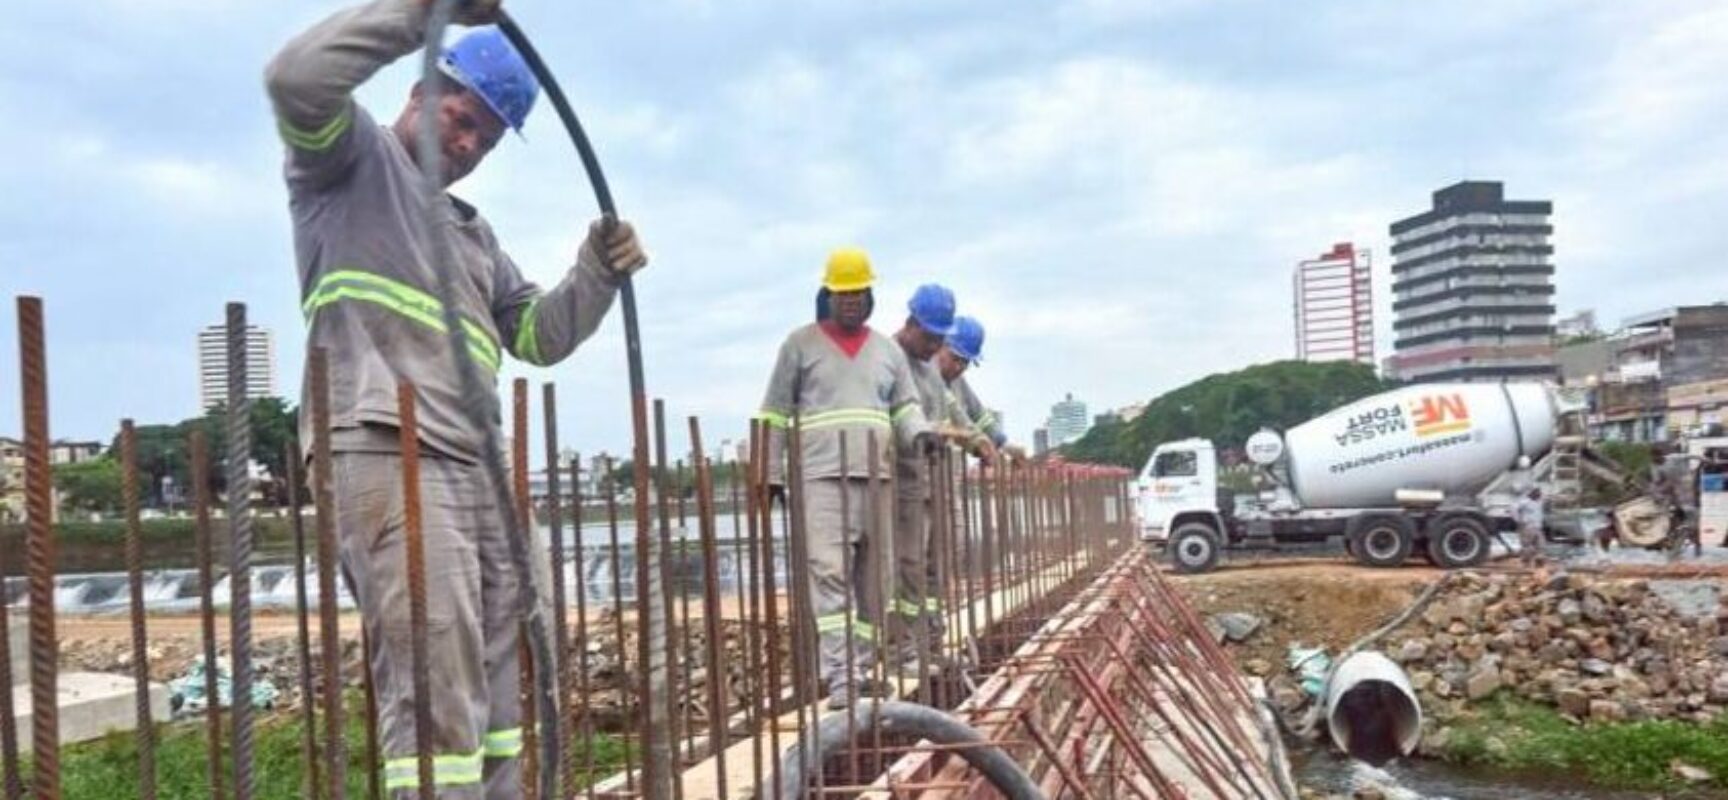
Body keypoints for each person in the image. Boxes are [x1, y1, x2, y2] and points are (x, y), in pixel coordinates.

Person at [266, 2, 648, 796]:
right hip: (385, 445)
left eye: (485, 135)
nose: (468, 142)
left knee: (506, 673)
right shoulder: (349, 163)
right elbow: (295, 78)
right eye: (461, 114)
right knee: (435, 673)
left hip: (476, 471)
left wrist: (598, 270)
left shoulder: (476, 237)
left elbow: (540, 337)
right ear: (421, 89)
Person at [756, 248, 936, 709]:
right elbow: (774, 414)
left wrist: (920, 435)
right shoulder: (800, 346)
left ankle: (861, 667)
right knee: (829, 573)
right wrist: (769, 473)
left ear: (870, 296)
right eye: (843, 294)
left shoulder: (887, 350)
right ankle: (840, 677)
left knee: (876, 582)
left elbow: (905, 406)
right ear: (828, 295)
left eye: (860, 293)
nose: (852, 301)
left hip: (877, 477)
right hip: (821, 476)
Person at [887, 286, 989, 674]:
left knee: (932, 570)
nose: (934, 347)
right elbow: (902, 416)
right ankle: (901, 653)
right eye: (930, 338)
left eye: (939, 340)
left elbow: (954, 411)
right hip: (901, 482)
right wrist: (935, 431)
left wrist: (979, 440)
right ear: (911, 323)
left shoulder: (929, 368)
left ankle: (928, 644)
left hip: (931, 481)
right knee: (904, 570)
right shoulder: (888, 358)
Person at [934, 316, 1024, 461]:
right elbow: (955, 411)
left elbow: (979, 415)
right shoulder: (925, 374)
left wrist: (1004, 444)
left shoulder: (958, 381)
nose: (959, 367)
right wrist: (978, 441)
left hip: (948, 470)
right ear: (940, 345)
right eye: (955, 358)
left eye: (965, 362)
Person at [1650, 444, 1700, 556]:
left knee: (1693, 521)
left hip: (1686, 488)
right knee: (1671, 518)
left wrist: (1706, 460)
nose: (1656, 460)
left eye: (1657, 457)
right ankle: (1669, 543)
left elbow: (1691, 455)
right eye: (1653, 458)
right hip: (1673, 492)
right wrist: (1655, 493)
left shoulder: (1673, 458)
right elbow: (1656, 482)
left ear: (1661, 455)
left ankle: (1697, 548)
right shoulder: (1655, 466)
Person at [1514, 486, 1545, 568]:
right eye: (1536, 492)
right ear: (1531, 493)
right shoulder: (1524, 502)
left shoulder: (1539, 502)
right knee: (1527, 545)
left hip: (1537, 527)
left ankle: (1539, 564)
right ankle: (1526, 564)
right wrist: (1518, 520)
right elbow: (1513, 510)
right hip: (1527, 526)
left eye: (1539, 492)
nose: (1538, 494)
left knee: (1540, 545)